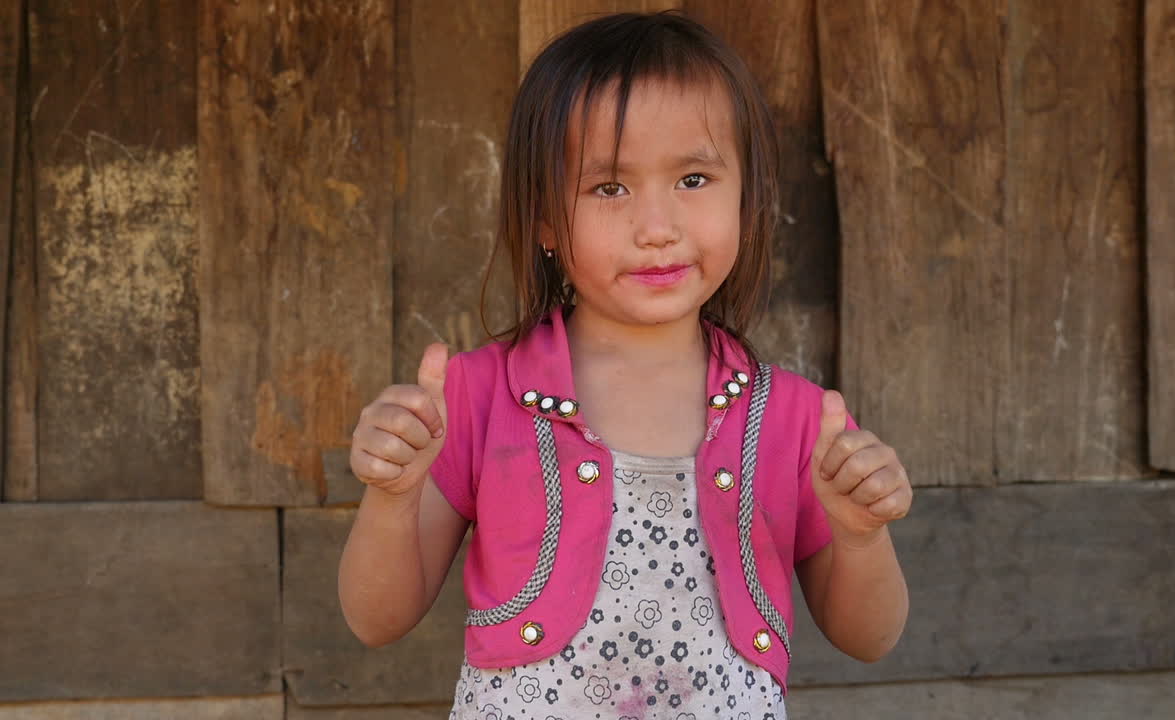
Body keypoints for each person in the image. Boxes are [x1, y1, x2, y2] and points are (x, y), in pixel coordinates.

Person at [339, 11, 911, 719]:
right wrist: (391, 497)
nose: (658, 226)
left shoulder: (795, 420)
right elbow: (375, 618)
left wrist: (862, 536)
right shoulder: (477, 397)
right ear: (544, 217)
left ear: (747, 195)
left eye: (695, 179)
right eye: (610, 188)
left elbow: (870, 637)